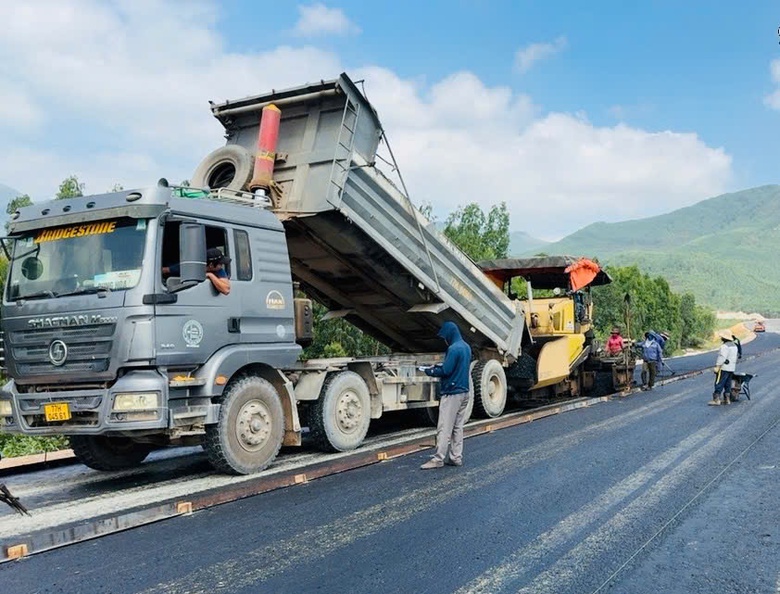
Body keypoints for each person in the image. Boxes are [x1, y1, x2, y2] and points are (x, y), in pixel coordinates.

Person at [420, 321, 472, 469]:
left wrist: (430, 371)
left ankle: (438, 459)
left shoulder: (453, 349)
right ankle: (456, 457)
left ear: (449, 334)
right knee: (458, 427)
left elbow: (446, 371)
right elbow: (455, 367)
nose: (444, 339)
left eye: (445, 336)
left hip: (452, 393)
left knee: (444, 427)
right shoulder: (466, 347)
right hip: (464, 392)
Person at [163, 247, 231, 295]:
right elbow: (165, 270)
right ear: (211, 265)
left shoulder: (219, 271)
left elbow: (226, 289)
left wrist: (210, 275)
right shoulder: (190, 266)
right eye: (220, 263)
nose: (222, 265)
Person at [710, 330, 739, 406]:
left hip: (724, 368)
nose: (721, 338)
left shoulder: (724, 346)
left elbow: (722, 357)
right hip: (731, 368)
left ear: (724, 338)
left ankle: (716, 400)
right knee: (728, 383)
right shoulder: (734, 346)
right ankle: (727, 399)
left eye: (722, 337)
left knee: (719, 383)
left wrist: (717, 366)